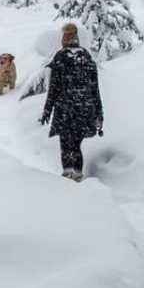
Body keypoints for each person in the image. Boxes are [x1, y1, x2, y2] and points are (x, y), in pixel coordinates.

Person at [39, 22, 103, 181]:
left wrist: (47, 110)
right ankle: (78, 175)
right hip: (84, 110)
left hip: (66, 109)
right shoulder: (87, 57)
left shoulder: (61, 57)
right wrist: (99, 114)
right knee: (75, 145)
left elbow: (53, 89)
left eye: (65, 35)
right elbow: (95, 90)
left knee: (66, 145)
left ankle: (68, 176)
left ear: (66, 37)